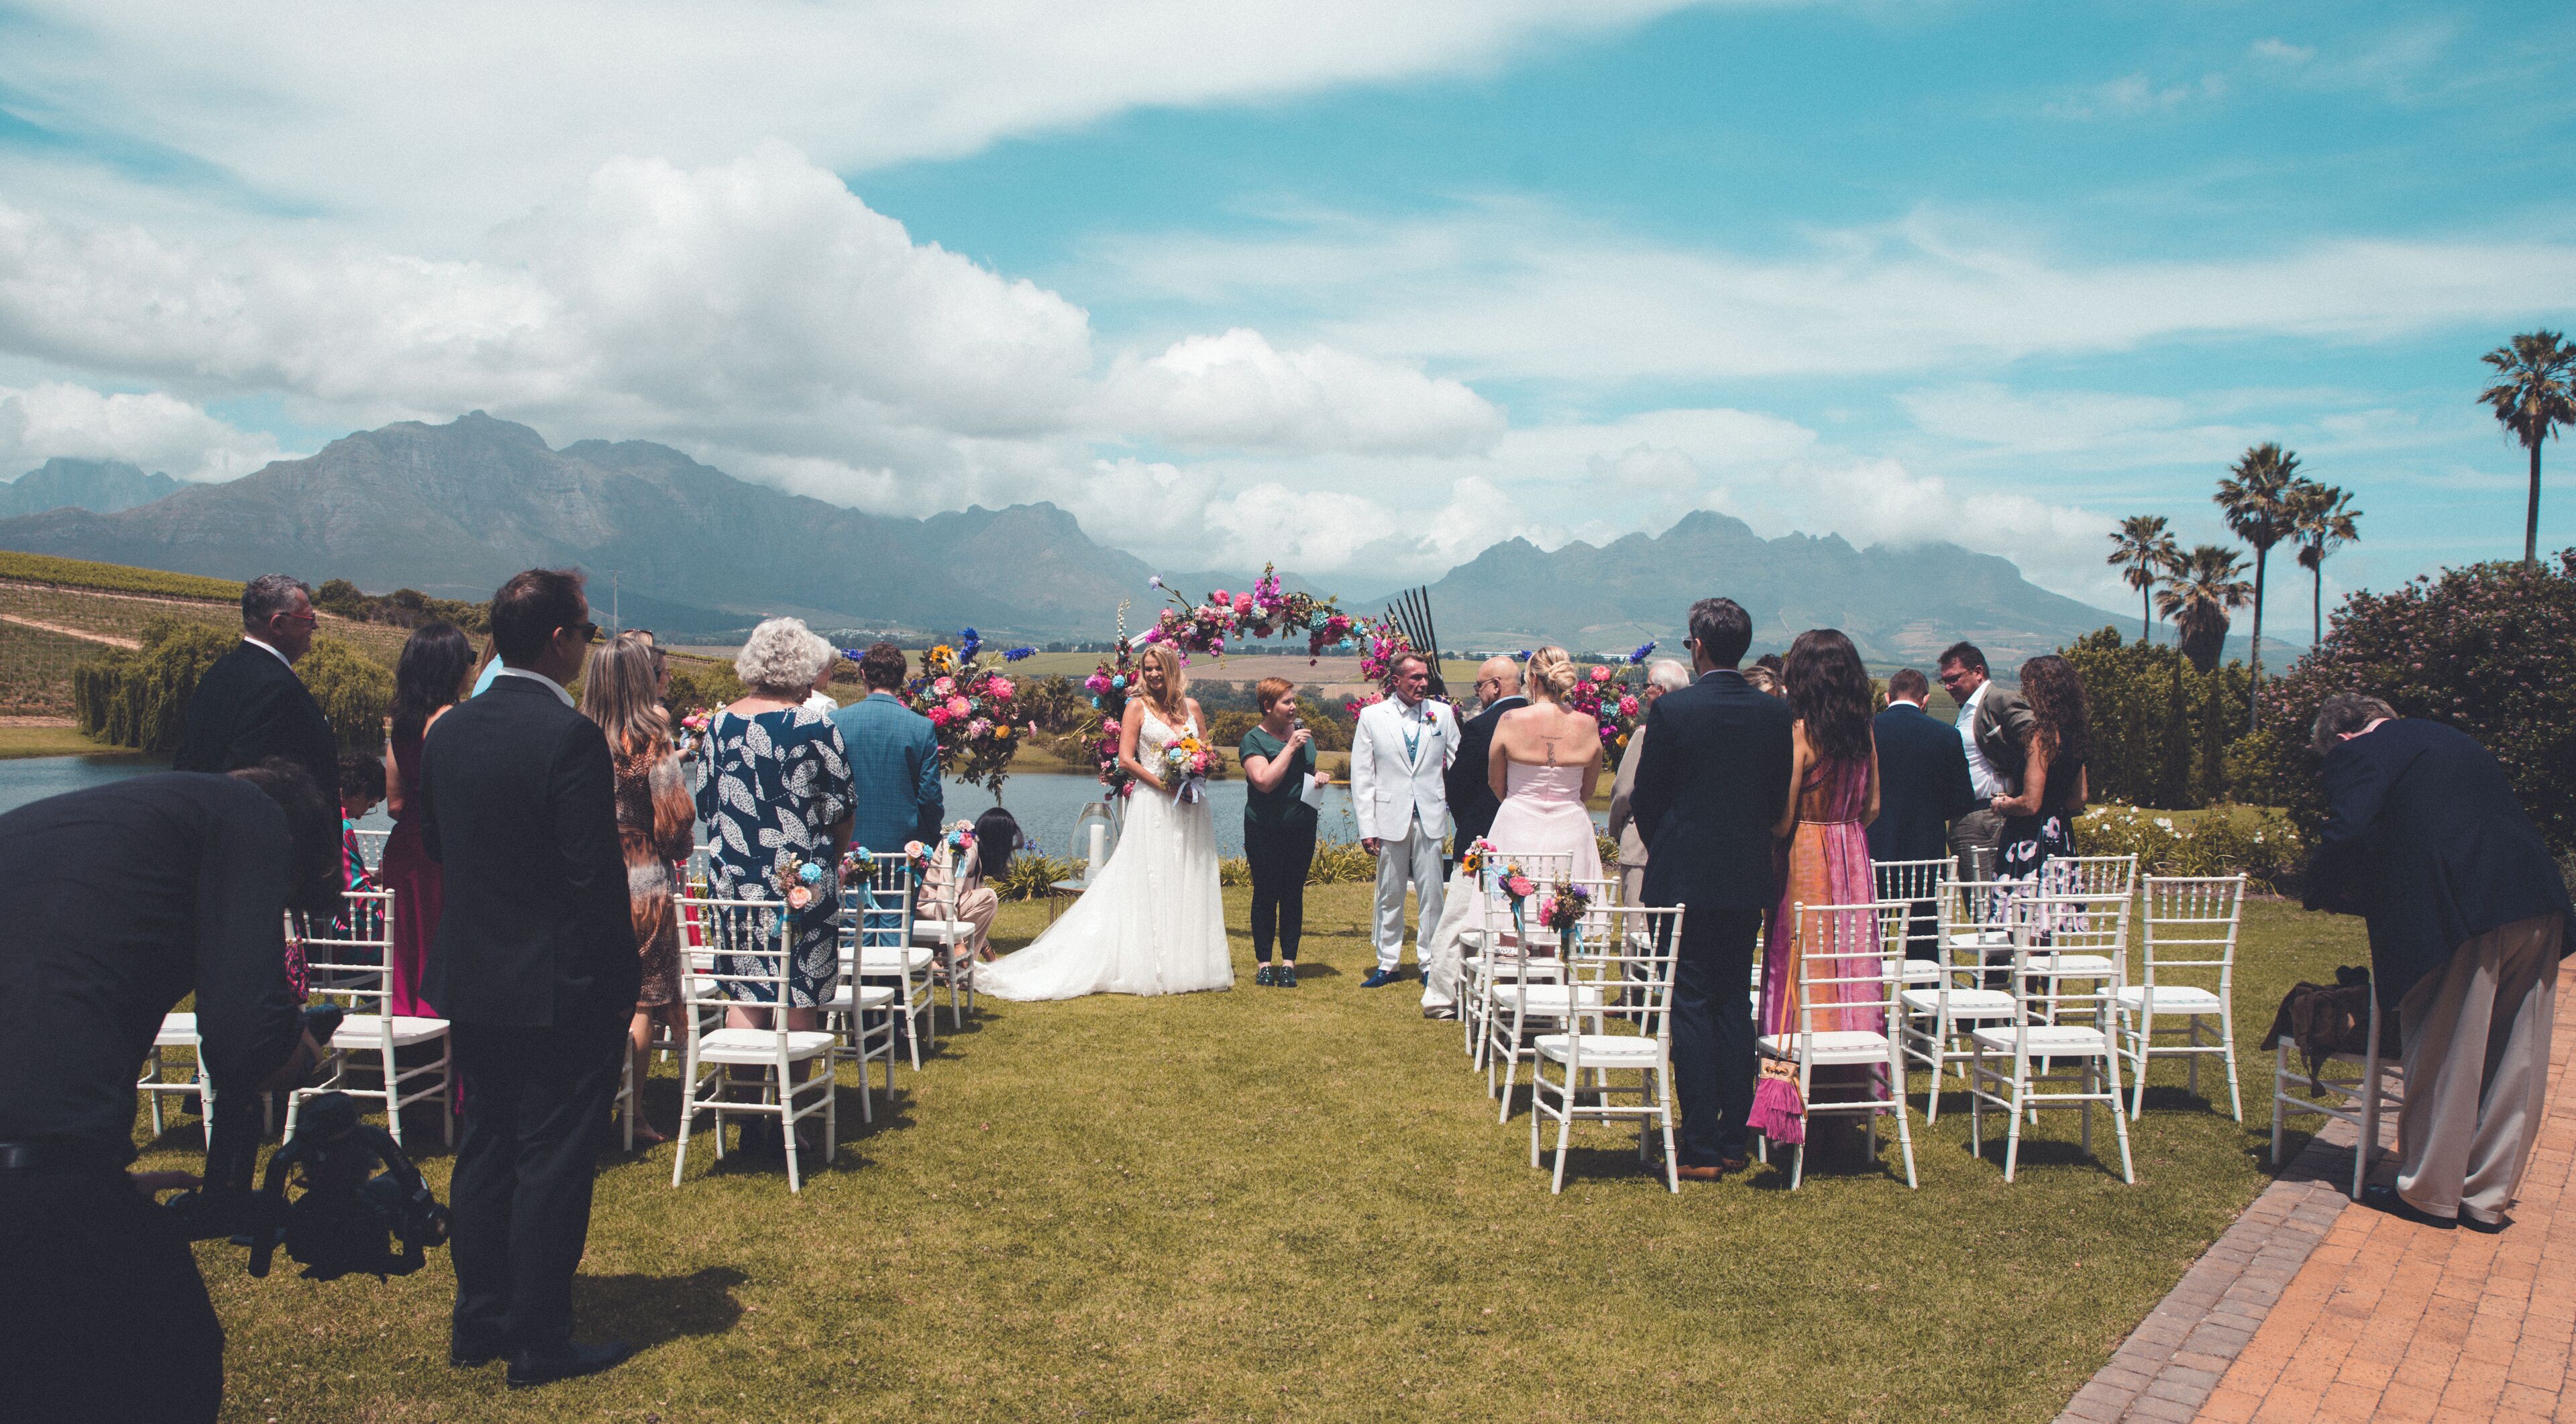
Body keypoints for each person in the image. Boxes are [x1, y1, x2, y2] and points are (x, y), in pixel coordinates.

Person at [0, 766, 335, 1424]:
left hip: (46, 1161)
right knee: (169, 1360)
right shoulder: (254, 817)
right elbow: (244, 1043)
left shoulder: (87, 824)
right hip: (43, 1173)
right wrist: (298, 1053)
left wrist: (89, 1177)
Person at [419, 568, 638, 1388]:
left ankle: (479, 1318)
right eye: (584, 632)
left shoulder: (451, 731)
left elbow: (436, 842)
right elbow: (593, 877)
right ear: (557, 638)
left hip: (474, 973)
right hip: (559, 984)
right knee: (551, 1158)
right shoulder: (568, 737)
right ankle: (541, 1339)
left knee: (485, 1144)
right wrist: (622, 983)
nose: (586, 647)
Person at [2306, 695, 2573, 1229]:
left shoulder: (2362, 749)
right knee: (2515, 1058)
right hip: (2537, 901)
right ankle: (2485, 1198)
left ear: (2340, 735)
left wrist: (2316, 889)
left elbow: (2350, 830)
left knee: (2448, 1050)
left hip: (2460, 912)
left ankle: (2429, 1193)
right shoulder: (2451, 739)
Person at [1629, 597, 1795, 1182]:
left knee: (1691, 1002)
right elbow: (1778, 801)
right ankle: (1732, 1139)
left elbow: (1648, 800)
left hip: (1682, 876)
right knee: (1733, 1001)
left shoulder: (1674, 713)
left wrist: (1673, 845)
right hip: (1747, 875)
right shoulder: (1776, 715)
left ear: (1697, 645)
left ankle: (1698, 1143)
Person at [980, 642, 1230, 999]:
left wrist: (1195, 780)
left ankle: (1189, 962)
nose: (1154, 674)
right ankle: (1151, 963)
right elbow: (1126, 760)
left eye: (1159, 667)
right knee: (1153, 878)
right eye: (1148, 669)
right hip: (1154, 804)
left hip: (1191, 805)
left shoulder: (1192, 708)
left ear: (1173, 669)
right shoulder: (1135, 707)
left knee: (1188, 874)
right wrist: (1166, 785)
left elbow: (1206, 753)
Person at [691, 619, 855, 1141]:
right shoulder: (812, 726)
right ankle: (794, 1116)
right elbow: (841, 806)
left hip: (735, 883)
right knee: (801, 994)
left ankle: (744, 1114)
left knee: (745, 990)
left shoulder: (717, 726)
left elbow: (704, 802)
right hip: (798, 882)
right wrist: (831, 854)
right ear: (802, 666)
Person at [1764, 629, 1884, 1135]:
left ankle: (1789, 1089)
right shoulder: (1865, 734)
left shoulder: (1801, 735)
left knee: (1796, 969)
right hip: (1852, 853)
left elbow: (1782, 817)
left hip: (1806, 858)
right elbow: (1873, 807)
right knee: (1850, 966)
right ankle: (1850, 1087)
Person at [580, 633, 696, 1147]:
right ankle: (633, 1115)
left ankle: (589, 1104)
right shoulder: (651, 738)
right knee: (642, 998)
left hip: (585, 870)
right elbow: (673, 818)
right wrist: (675, 842)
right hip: (641, 870)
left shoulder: (575, 734)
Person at [173, 572, 341, 807]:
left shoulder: (220, 671)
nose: (316, 625)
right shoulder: (277, 688)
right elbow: (252, 778)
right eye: (308, 619)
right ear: (278, 624)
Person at [381, 621, 474, 1018]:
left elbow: (395, 804)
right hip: (445, 850)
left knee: (408, 946)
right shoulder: (458, 721)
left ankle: (408, 1025)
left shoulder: (400, 725)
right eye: (469, 658)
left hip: (405, 847)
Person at [1350, 651, 1458, 988]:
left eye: (1426, 677)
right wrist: (1368, 827)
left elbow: (1458, 763)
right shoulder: (1371, 716)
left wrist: (1460, 807)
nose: (1423, 683)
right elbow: (1362, 775)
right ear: (1396, 681)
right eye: (1415, 678)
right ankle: (1388, 963)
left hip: (1431, 815)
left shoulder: (1442, 714)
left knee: (1432, 894)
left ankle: (1430, 962)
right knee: (1389, 893)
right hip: (1388, 817)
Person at [1868, 667, 1978, 958]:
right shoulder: (1946, 736)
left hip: (1874, 845)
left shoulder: (1867, 731)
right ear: (1925, 700)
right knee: (1923, 937)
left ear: (1887, 696)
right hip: (1925, 848)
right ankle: (1922, 994)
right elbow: (1963, 800)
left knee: (1870, 934)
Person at [1240, 676, 1332, 987]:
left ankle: (1289, 964)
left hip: (1300, 827)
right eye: (1287, 702)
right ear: (1268, 706)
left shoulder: (1305, 737)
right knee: (1266, 894)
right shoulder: (1253, 740)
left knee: (1293, 894)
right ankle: (1265, 964)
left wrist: (1318, 776)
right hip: (1263, 829)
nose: (1294, 707)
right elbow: (1264, 781)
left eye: (1294, 701)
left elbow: (1304, 774)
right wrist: (1291, 748)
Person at [1986, 654, 2088, 900]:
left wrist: (2003, 804)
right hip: (2060, 836)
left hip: (2031, 840)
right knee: (2048, 921)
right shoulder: (2075, 733)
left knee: (2023, 922)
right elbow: (2080, 798)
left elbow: (2031, 803)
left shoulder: (2042, 735)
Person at [829, 642, 943, 858]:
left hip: (846, 851)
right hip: (904, 855)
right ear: (901, 679)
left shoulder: (836, 722)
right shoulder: (922, 727)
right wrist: (931, 840)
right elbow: (930, 798)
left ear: (863, 674)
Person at [1936, 642, 2033, 883]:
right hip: (1970, 817)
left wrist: (2026, 792)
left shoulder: (1998, 700)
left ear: (1978, 672)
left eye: (1954, 679)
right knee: (1979, 904)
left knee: (1988, 903)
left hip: (1989, 817)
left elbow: (2038, 736)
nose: (1948, 687)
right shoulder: (1968, 709)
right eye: (1944, 681)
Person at [1606, 658, 1692, 905]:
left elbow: (1623, 793)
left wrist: (1615, 831)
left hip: (1642, 842)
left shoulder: (1645, 734)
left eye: (1647, 686)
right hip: (1682, 842)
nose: (1644, 693)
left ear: (1661, 690)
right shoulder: (1694, 731)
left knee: (1640, 925)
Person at [1444, 656, 1528, 866]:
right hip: (1530, 834)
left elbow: (1457, 785)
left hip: (1483, 834)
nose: (1476, 692)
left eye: (1479, 685)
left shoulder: (1480, 727)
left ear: (1496, 686)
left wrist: (1466, 821)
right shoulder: (1541, 724)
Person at [920, 807, 1014, 966]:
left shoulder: (975, 853)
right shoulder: (965, 850)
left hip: (938, 911)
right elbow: (946, 896)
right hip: (928, 911)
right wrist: (957, 943)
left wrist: (991, 956)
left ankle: (954, 962)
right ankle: (956, 964)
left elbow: (975, 919)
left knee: (984, 898)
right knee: (988, 897)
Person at [339, 749, 386, 891]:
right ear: (362, 791)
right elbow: (361, 897)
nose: (360, 817)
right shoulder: (340, 826)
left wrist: (373, 880)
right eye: (369, 805)